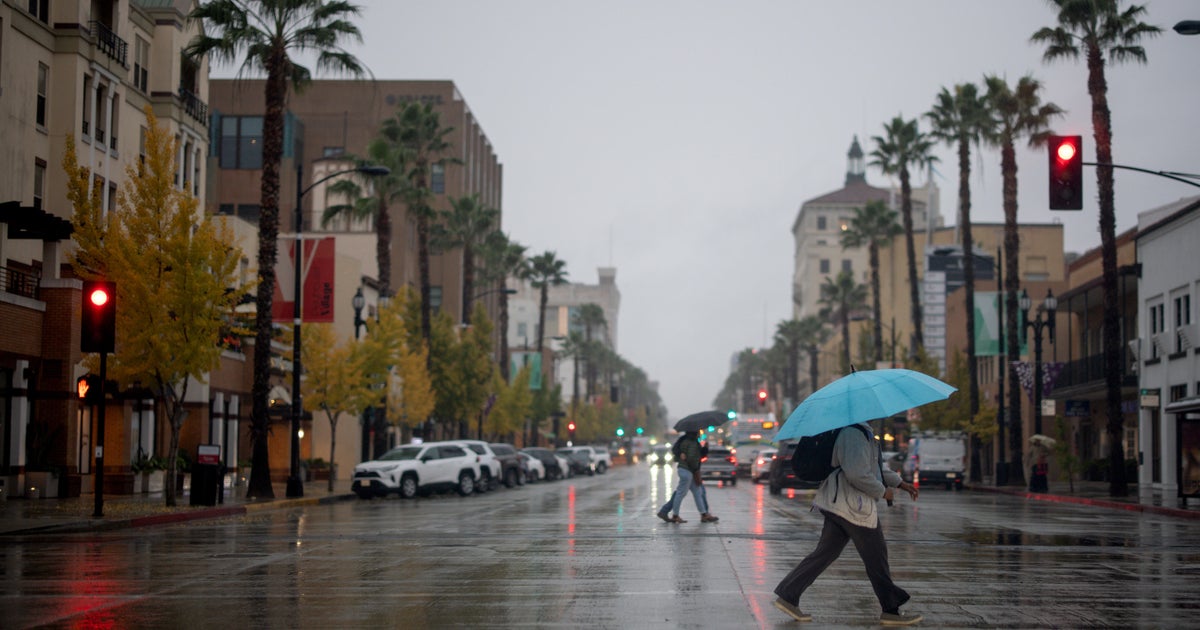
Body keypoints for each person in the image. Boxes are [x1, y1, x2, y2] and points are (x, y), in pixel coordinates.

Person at [773, 422, 921, 626]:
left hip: (840, 503)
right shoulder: (852, 434)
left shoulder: (863, 433)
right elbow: (857, 474)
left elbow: (875, 467)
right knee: (876, 556)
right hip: (852, 506)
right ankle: (891, 610)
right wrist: (882, 491)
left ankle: (788, 594)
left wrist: (900, 483)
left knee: (825, 553)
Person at [655, 431, 718, 523]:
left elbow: (698, 455)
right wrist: (695, 469)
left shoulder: (692, 441)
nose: (700, 433)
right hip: (688, 470)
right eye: (699, 431)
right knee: (681, 493)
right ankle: (675, 515)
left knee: (698, 492)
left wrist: (705, 448)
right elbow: (692, 458)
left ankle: (704, 514)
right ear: (695, 432)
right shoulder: (691, 442)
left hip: (689, 471)